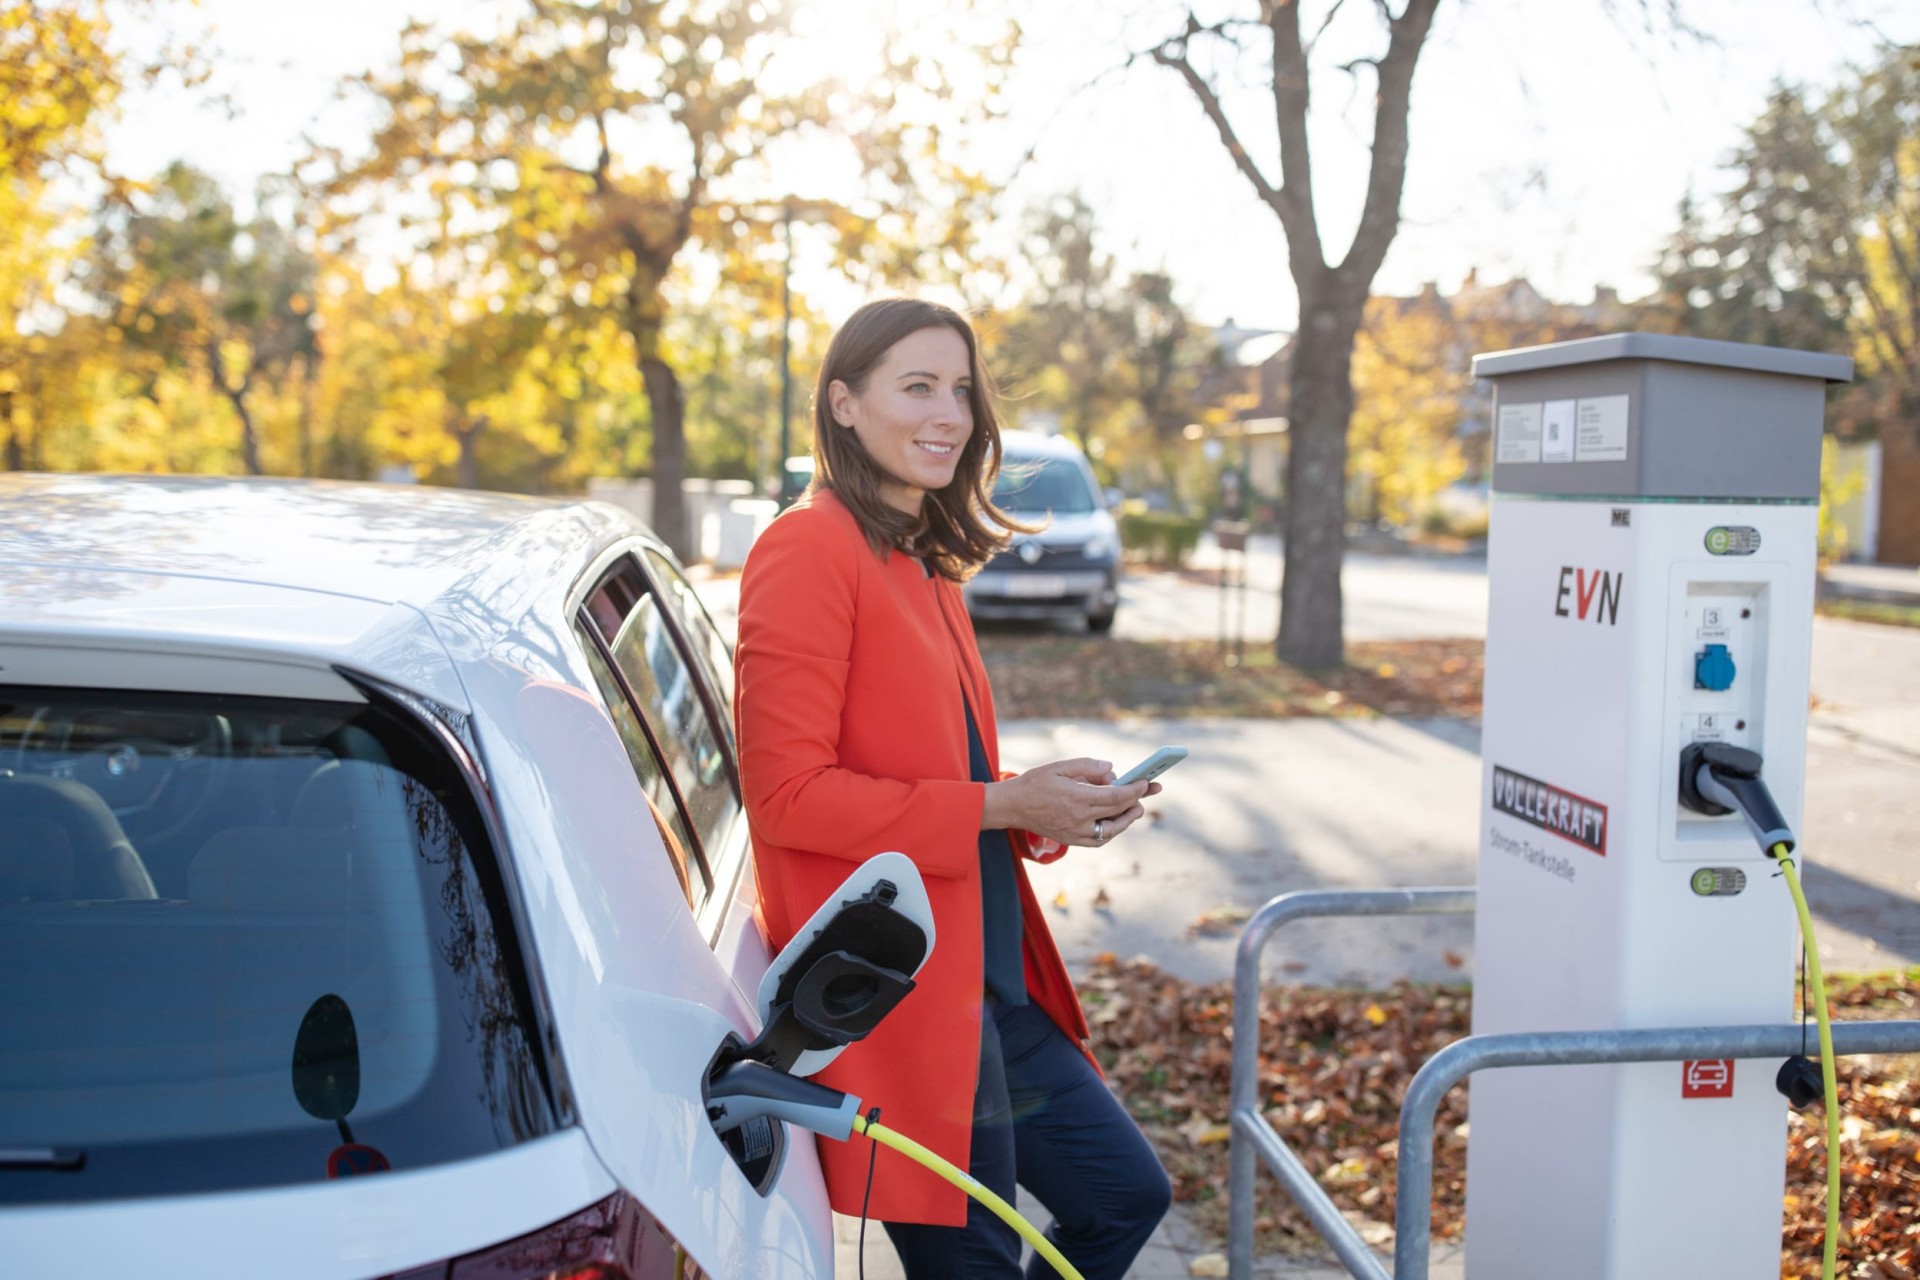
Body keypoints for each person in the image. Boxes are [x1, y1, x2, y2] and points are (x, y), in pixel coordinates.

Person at [734, 297, 1173, 1279]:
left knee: (1125, 1195)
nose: (950, 412)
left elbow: (951, 778)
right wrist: (1004, 805)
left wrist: (1044, 804)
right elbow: (789, 797)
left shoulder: (922, 554)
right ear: (842, 405)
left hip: (985, 977)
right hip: (902, 989)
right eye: (918, 386)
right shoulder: (809, 546)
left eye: (963, 389)